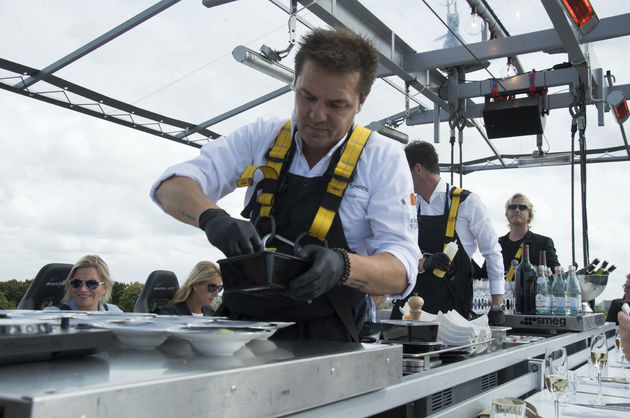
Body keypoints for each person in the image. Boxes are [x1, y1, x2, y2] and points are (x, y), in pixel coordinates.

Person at [150, 28, 420, 342]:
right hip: (240, 330)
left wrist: (343, 266)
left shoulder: (382, 159)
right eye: (307, 97)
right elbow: (170, 186)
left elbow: (402, 270)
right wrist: (213, 219)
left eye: (336, 105)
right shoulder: (261, 137)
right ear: (294, 84)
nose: (317, 115)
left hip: (325, 334)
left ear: (361, 102)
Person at [391, 141, 505, 325]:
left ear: (418, 169)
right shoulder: (408, 204)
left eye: (404, 172)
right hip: (411, 304)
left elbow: (492, 252)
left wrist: (497, 306)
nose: (400, 178)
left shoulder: (467, 202)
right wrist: (425, 263)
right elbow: (398, 254)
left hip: (451, 309)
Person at [498, 193, 560, 278]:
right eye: (512, 207)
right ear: (507, 214)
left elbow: (556, 275)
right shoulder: (497, 243)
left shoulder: (543, 243)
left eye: (522, 207)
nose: (517, 210)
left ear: (529, 215)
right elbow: (483, 276)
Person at [44, 254, 122, 312]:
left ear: (105, 288)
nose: (83, 289)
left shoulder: (115, 314)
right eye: (76, 283)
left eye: (91, 283)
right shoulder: (51, 316)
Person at [158, 261, 222, 316]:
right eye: (212, 287)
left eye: (219, 288)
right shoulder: (170, 314)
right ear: (195, 285)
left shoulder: (211, 314)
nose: (216, 294)